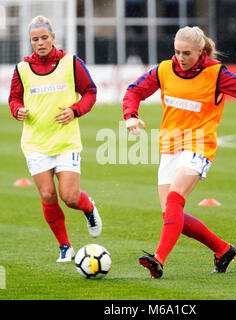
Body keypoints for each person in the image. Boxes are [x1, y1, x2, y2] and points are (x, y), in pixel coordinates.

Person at [123, 26, 236, 278]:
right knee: (171, 216)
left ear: (200, 51)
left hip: (199, 144)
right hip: (170, 145)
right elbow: (134, 90)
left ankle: (158, 258)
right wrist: (131, 116)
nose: (180, 58)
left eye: (186, 53)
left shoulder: (216, 74)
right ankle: (223, 249)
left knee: (174, 199)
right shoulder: (164, 70)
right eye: (177, 52)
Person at [8, 16, 102, 262]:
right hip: (35, 144)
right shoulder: (21, 69)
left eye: (44, 38)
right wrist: (17, 110)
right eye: (35, 39)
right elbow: (14, 99)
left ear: (53, 38)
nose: (40, 43)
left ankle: (89, 207)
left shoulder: (71, 63)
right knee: (48, 195)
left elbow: (90, 92)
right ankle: (65, 246)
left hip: (65, 142)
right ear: (30, 41)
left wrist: (74, 111)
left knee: (70, 197)